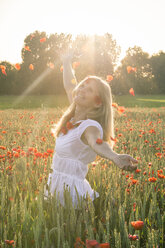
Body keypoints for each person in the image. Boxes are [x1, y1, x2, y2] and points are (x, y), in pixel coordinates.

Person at [44, 51, 138, 206]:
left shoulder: (90, 127)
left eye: (89, 90)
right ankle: (107, 204)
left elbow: (97, 143)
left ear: (98, 103)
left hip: (72, 195)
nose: (81, 90)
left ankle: (107, 206)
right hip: (56, 185)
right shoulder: (74, 119)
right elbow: (69, 86)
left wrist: (114, 156)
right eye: (82, 86)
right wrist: (66, 61)